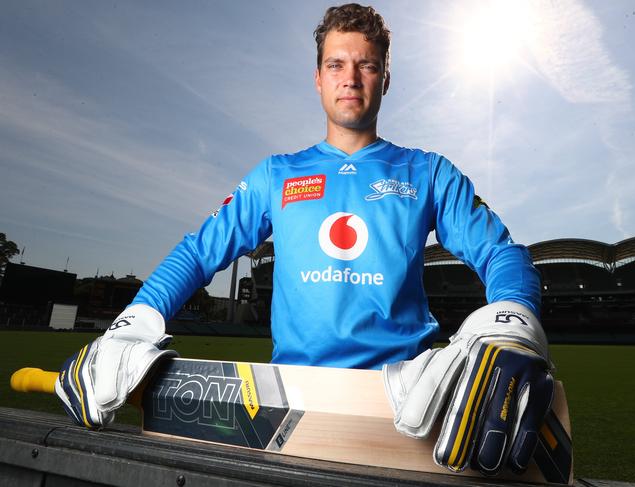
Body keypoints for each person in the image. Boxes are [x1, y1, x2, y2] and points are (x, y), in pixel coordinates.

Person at [55, 3, 553, 477]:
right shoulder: (277, 175)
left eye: (367, 65)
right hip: (289, 403)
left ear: (386, 79)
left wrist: (511, 321)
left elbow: (501, 251)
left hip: (407, 405)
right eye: (336, 64)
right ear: (318, 80)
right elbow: (199, 251)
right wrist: (133, 322)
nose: (351, 77)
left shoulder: (427, 171)